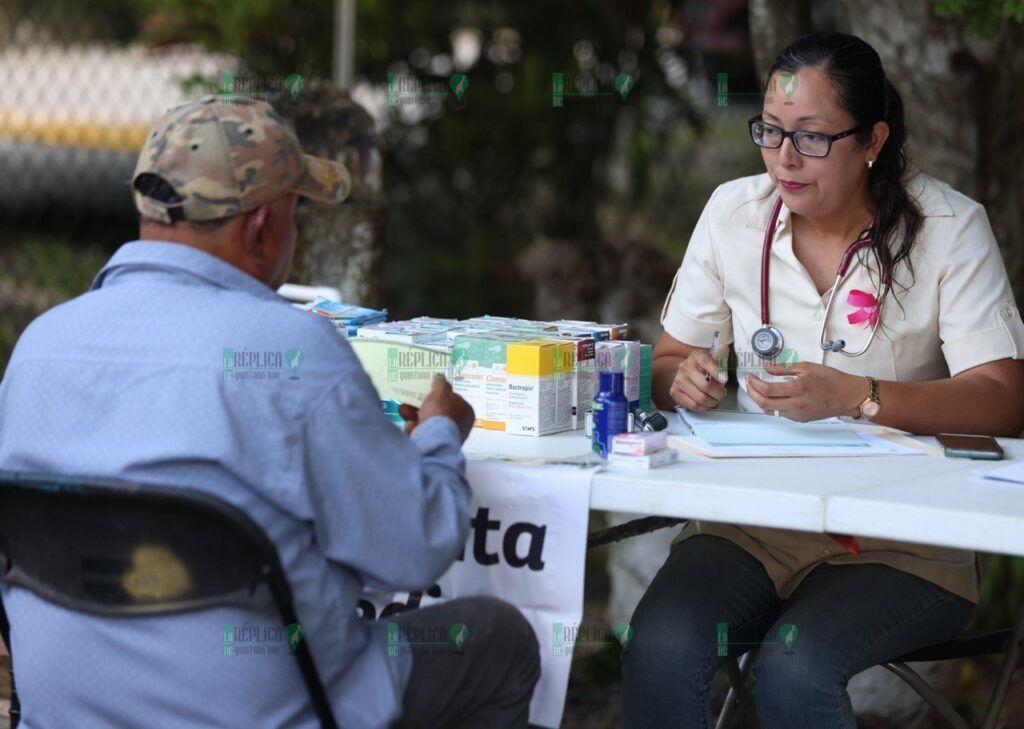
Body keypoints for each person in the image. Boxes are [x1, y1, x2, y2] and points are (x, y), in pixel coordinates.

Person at [0, 96, 539, 728]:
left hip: (66, 715)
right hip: (277, 711)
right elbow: (417, 550)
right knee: (497, 639)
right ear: (262, 231)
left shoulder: (40, 345)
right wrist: (442, 432)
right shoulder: (294, 352)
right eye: (297, 216)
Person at [622, 31, 1024, 728]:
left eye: (809, 137)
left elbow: (1004, 398)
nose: (783, 157)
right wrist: (680, 378)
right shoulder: (732, 215)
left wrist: (860, 396)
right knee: (660, 642)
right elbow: (665, 362)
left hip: (906, 539)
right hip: (752, 522)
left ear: (872, 139)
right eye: (770, 131)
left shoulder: (951, 229)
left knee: (794, 665)